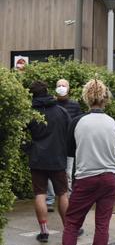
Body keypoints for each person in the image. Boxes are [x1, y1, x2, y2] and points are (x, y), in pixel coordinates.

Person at [62, 79, 115, 245]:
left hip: (86, 178)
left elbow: (70, 151)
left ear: (86, 97)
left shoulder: (77, 122)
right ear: (105, 98)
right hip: (109, 177)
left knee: (72, 223)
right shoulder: (113, 122)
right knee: (102, 225)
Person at [26, 81, 71, 243]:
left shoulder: (29, 113)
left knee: (40, 194)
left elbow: (22, 137)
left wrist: (29, 149)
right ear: (47, 92)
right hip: (58, 159)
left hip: (37, 159)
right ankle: (69, 229)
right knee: (63, 193)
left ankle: (44, 231)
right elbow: (70, 133)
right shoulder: (61, 111)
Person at [46, 79, 83, 212]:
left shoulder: (75, 105)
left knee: (67, 173)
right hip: (53, 145)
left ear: (69, 88)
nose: (61, 87)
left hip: (68, 145)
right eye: (59, 86)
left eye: (64, 85)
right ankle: (50, 200)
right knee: (49, 172)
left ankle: (68, 198)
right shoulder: (51, 104)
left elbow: (79, 123)